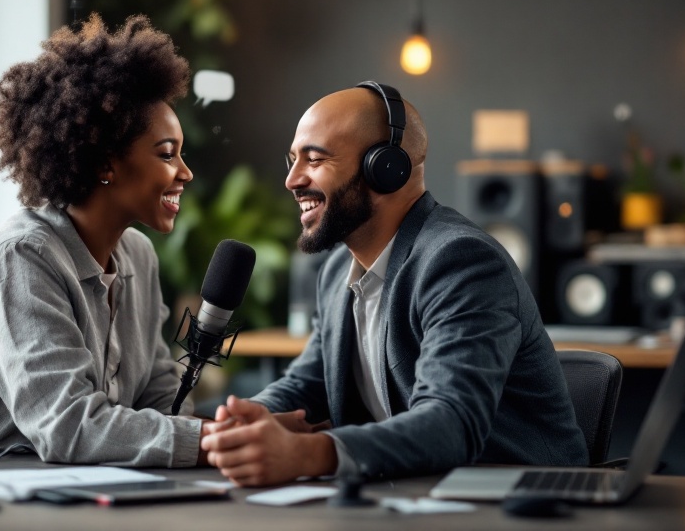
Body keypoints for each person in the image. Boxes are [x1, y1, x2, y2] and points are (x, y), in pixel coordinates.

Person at [201, 83, 588, 486]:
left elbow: (450, 421)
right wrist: (251, 418)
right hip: (414, 497)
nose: (292, 180)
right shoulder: (337, 272)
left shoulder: (461, 262)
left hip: (525, 502)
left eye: (314, 160)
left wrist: (307, 453)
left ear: (385, 169)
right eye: (292, 160)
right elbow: (308, 385)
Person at [0, 14, 204, 467]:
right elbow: (69, 426)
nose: (185, 173)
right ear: (104, 164)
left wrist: (224, 435)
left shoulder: (139, 256)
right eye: (167, 154)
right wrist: (206, 442)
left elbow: (160, 392)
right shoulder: (24, 256)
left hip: (92, 490)